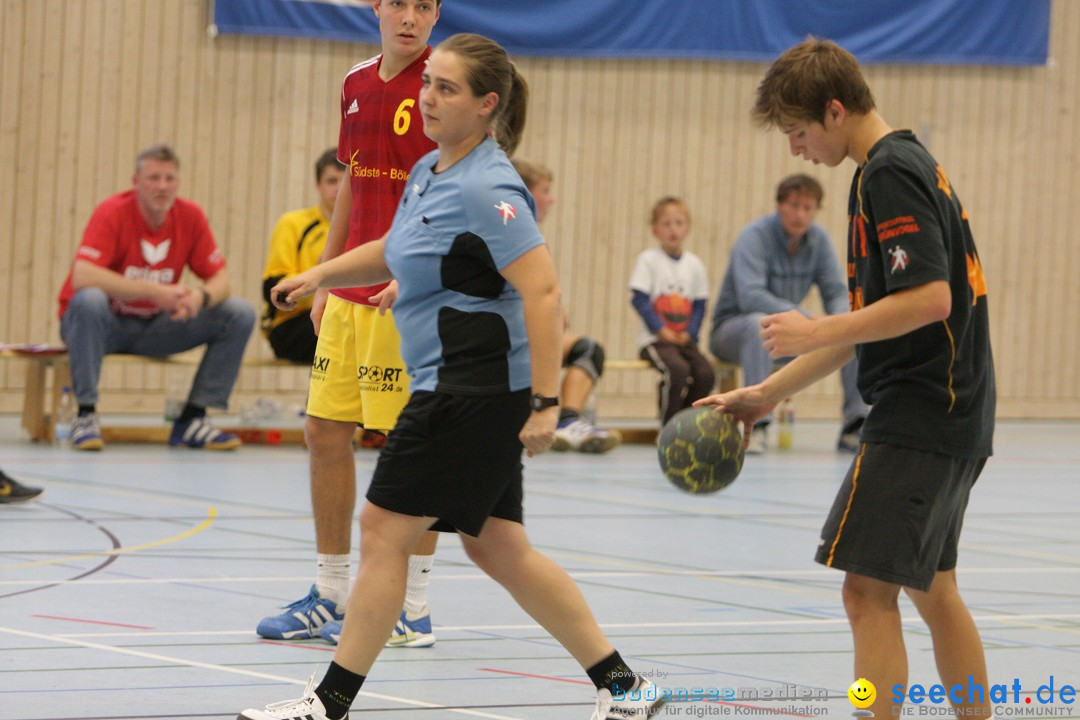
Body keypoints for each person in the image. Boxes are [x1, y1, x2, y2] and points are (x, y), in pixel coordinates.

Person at [240, 33, 666, 720]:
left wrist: (548, 403)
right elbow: (401, 247)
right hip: (465, 383)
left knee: (381, 529)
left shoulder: (493, 186)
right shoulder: (430, 171)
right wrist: (327, 273)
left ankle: (328, 704)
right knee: (499, 546)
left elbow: (544, 293)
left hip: (473, 387)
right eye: (427, 83)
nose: (427, 97)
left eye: (445, 87)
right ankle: (625, 689)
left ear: (485, 104)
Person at [696, 38, 995, 720]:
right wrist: (765, 394)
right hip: (956, 414)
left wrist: (813, 328)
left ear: (834, 111)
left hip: (921, 414)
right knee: (933, 589)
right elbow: (874, 320)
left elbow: (930, 300)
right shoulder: (894, 168)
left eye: (798, 132)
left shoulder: (889, 171)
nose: (797, 150)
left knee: (865, 596)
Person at [255, 0, 442, 649]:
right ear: (377, 8)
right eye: (400, 3)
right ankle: (331, 592)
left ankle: (411, 608)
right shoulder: (356, 84)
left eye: (425, 5)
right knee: (323, 432)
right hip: (352, 295)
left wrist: (413, 274)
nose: (411, 16)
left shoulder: (443, 90)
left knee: (405, 449)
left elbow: (445, 198)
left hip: (409, 297)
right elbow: (356, 186)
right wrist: (328, 276)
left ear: (438, 13)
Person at [56, 144, 256, 452]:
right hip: (102, 327)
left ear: (178, 182)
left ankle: (192, 418)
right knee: (89, 300)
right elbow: (83, 275)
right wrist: (155, 291)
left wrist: (200, 298)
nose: (162, 186)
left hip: (155, 327)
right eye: (153, 178)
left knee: (238, 313)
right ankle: (85, 414)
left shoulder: (190, 216)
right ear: (135, 181)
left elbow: (222, 280)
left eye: (169, 178)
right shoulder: (112, 212)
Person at [709, 173, 869, 454]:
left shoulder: (819, 241)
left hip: (787, 332)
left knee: (850, 331)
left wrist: (841, 321)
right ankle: (758, 424)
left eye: (807, 208)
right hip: (732, 330)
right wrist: (806, 318)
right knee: (758, 325)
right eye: (794, 205)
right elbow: (751, 296)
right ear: (779, 205)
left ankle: (854, 423)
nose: (800, 214)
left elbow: (834, 292)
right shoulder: (754, 236)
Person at [511, 158, 620, 453]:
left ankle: (568, 420)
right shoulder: (513, 232)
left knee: (588, 349)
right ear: (527, 194)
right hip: (510, 339)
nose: (552, 199)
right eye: (545, 190)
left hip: (524, 336)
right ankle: (542, 414)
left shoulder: (531, 234)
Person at [629, 197, 715, 425]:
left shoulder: (694, 264)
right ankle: (668, 427)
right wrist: (660, 330)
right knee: (677, 370)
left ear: (687, 228)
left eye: (679, 223)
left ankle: (687, 424)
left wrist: (691, 333)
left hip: (684, 340)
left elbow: (699, 305)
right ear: (656, 230)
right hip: (655, 341)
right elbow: (639, 300)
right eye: (666, 224)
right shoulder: (648, 260)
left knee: (706, 374)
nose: (673, 229)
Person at [260, 148, 345, 364]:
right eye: (331, 181)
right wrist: (318, 277)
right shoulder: (294, 224)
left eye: (346, 181)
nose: (339, 189)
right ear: (318, 186)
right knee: (337, 330)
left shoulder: (362, 229)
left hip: (341, 315)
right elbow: (273, 288)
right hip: (291, 324)